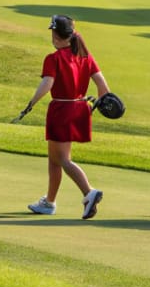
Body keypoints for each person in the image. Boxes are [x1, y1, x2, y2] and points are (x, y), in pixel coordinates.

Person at [20, 15, 110, 219]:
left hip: (61, 110)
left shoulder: (54, 58)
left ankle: (89, 192)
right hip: (79, 109)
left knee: (63, 159)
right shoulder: (85, 56)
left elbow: (47, 84)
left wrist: (31, 103)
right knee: (54, 160)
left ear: (55, 34)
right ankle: (49, 202)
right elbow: (103, 87)